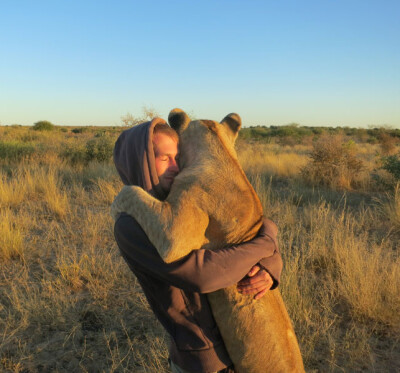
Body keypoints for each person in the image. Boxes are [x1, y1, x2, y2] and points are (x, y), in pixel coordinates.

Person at [113, 118, 283, 373]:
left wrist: (271, 264)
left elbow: (243, 229)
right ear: (140, 161)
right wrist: (266, 245)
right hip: (204, 358)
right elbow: (203, 275)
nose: (175, 166)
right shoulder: (130, 225)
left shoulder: (177, 202)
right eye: (163, 158)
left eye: (177, 157)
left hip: (237, 343)